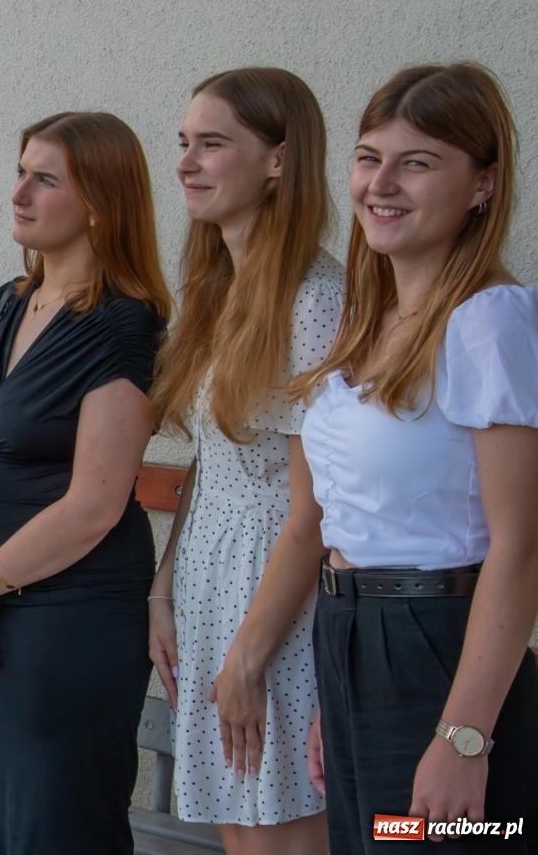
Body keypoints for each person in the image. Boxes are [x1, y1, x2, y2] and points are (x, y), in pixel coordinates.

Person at [293, 63, 538, 855]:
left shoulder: (489, 321)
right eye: (369, 157)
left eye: (417, 162)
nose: (382, 184)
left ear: (482, 184)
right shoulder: (372, 320)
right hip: (353, 641)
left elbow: (522, 546)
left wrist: (464, 736)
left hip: (438, 653)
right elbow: (360, 524)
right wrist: (341, 687)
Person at [0, 111, 169, 854]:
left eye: (44, 179)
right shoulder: (6, 305)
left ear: (98, 202)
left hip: (73, 619)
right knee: (8, 820)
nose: (19, 192)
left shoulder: (124, 326)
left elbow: (94, 505)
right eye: (20, 171)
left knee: (59, 822)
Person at [147, 69, 340, 853]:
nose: (187, 162)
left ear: (278, 161)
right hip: (209, 582)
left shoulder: (313, 298)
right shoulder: (218, 289)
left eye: (213, 144)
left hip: (275, 599)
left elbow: (314, 509)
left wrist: (249, 656)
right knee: (238, 826)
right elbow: (212, 462)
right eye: (184, 143)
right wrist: (163, 584)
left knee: (282, 828)